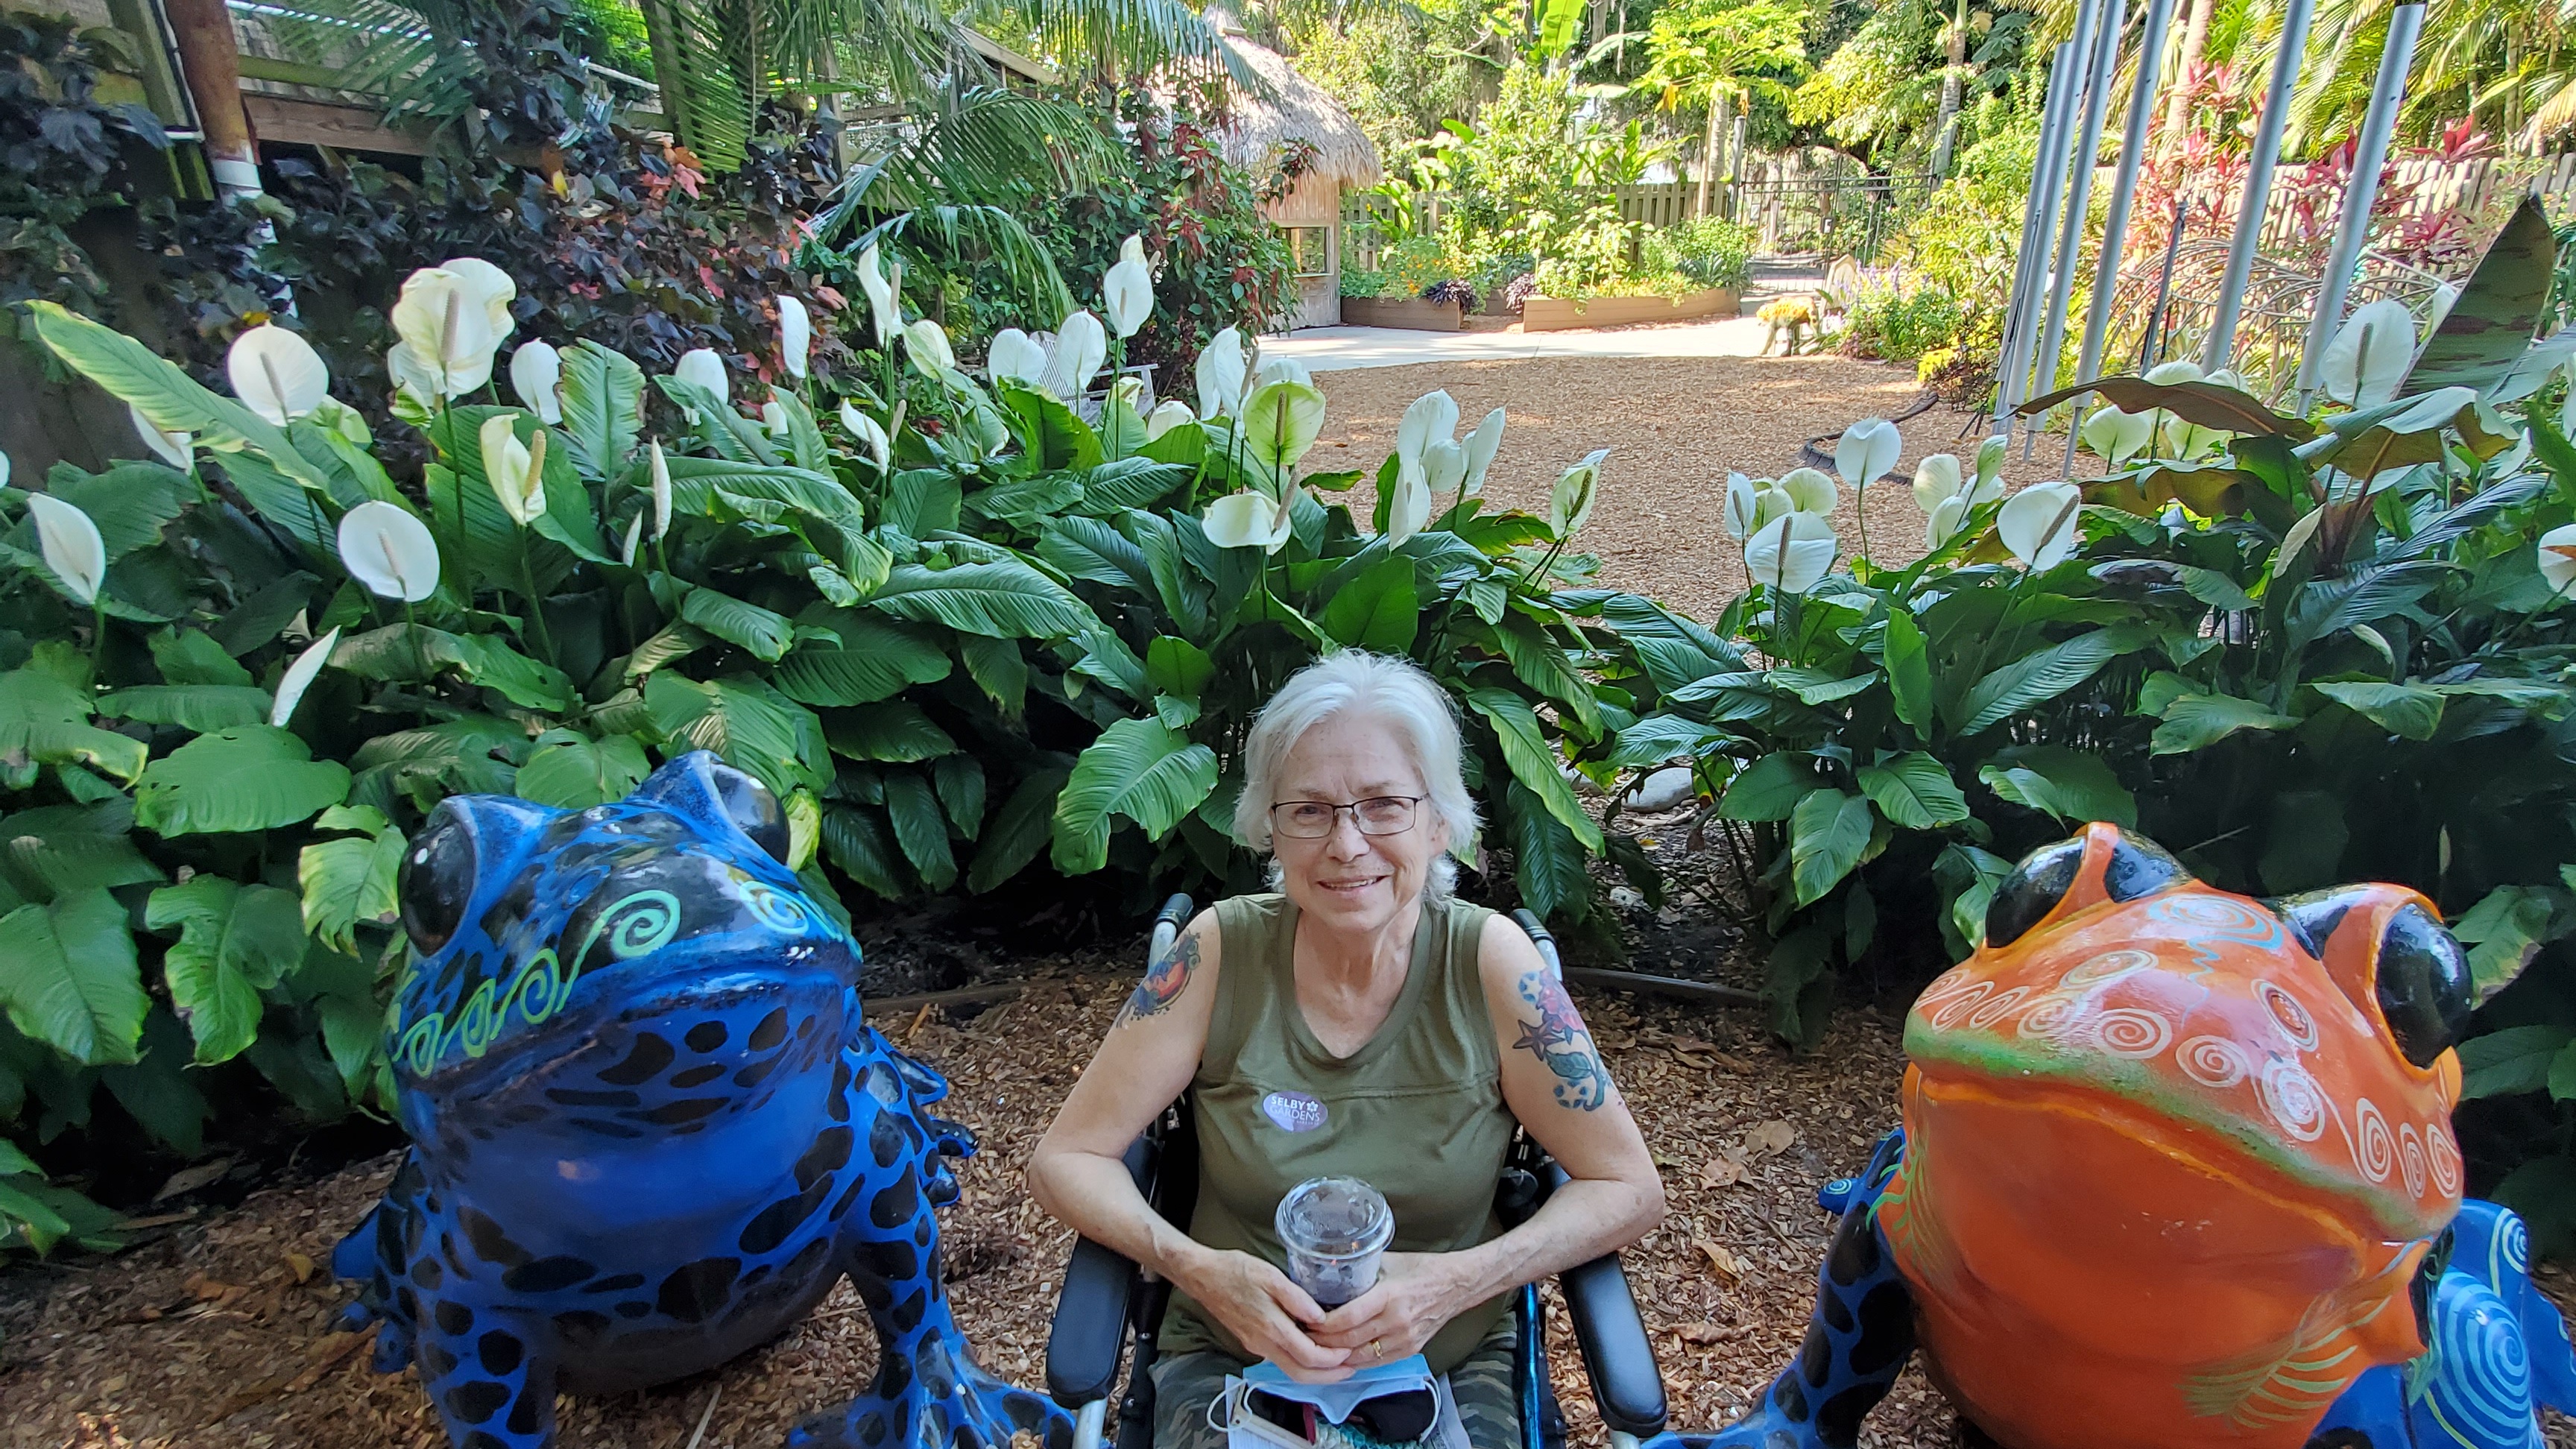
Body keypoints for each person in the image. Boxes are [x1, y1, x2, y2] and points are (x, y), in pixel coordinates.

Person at [1028, 652, 1665, 1449]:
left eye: (1384, 805)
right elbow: (1067, 1158)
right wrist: (1197, 1269)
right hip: (1234, 1360)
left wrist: (1459, 1282)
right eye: (1310, 810)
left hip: (1444, 1367)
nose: (1347, 844)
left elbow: (1629, 1186)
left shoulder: (1495, 968)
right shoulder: (1219, 955)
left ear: (1439, 823)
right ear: (1270, 826)